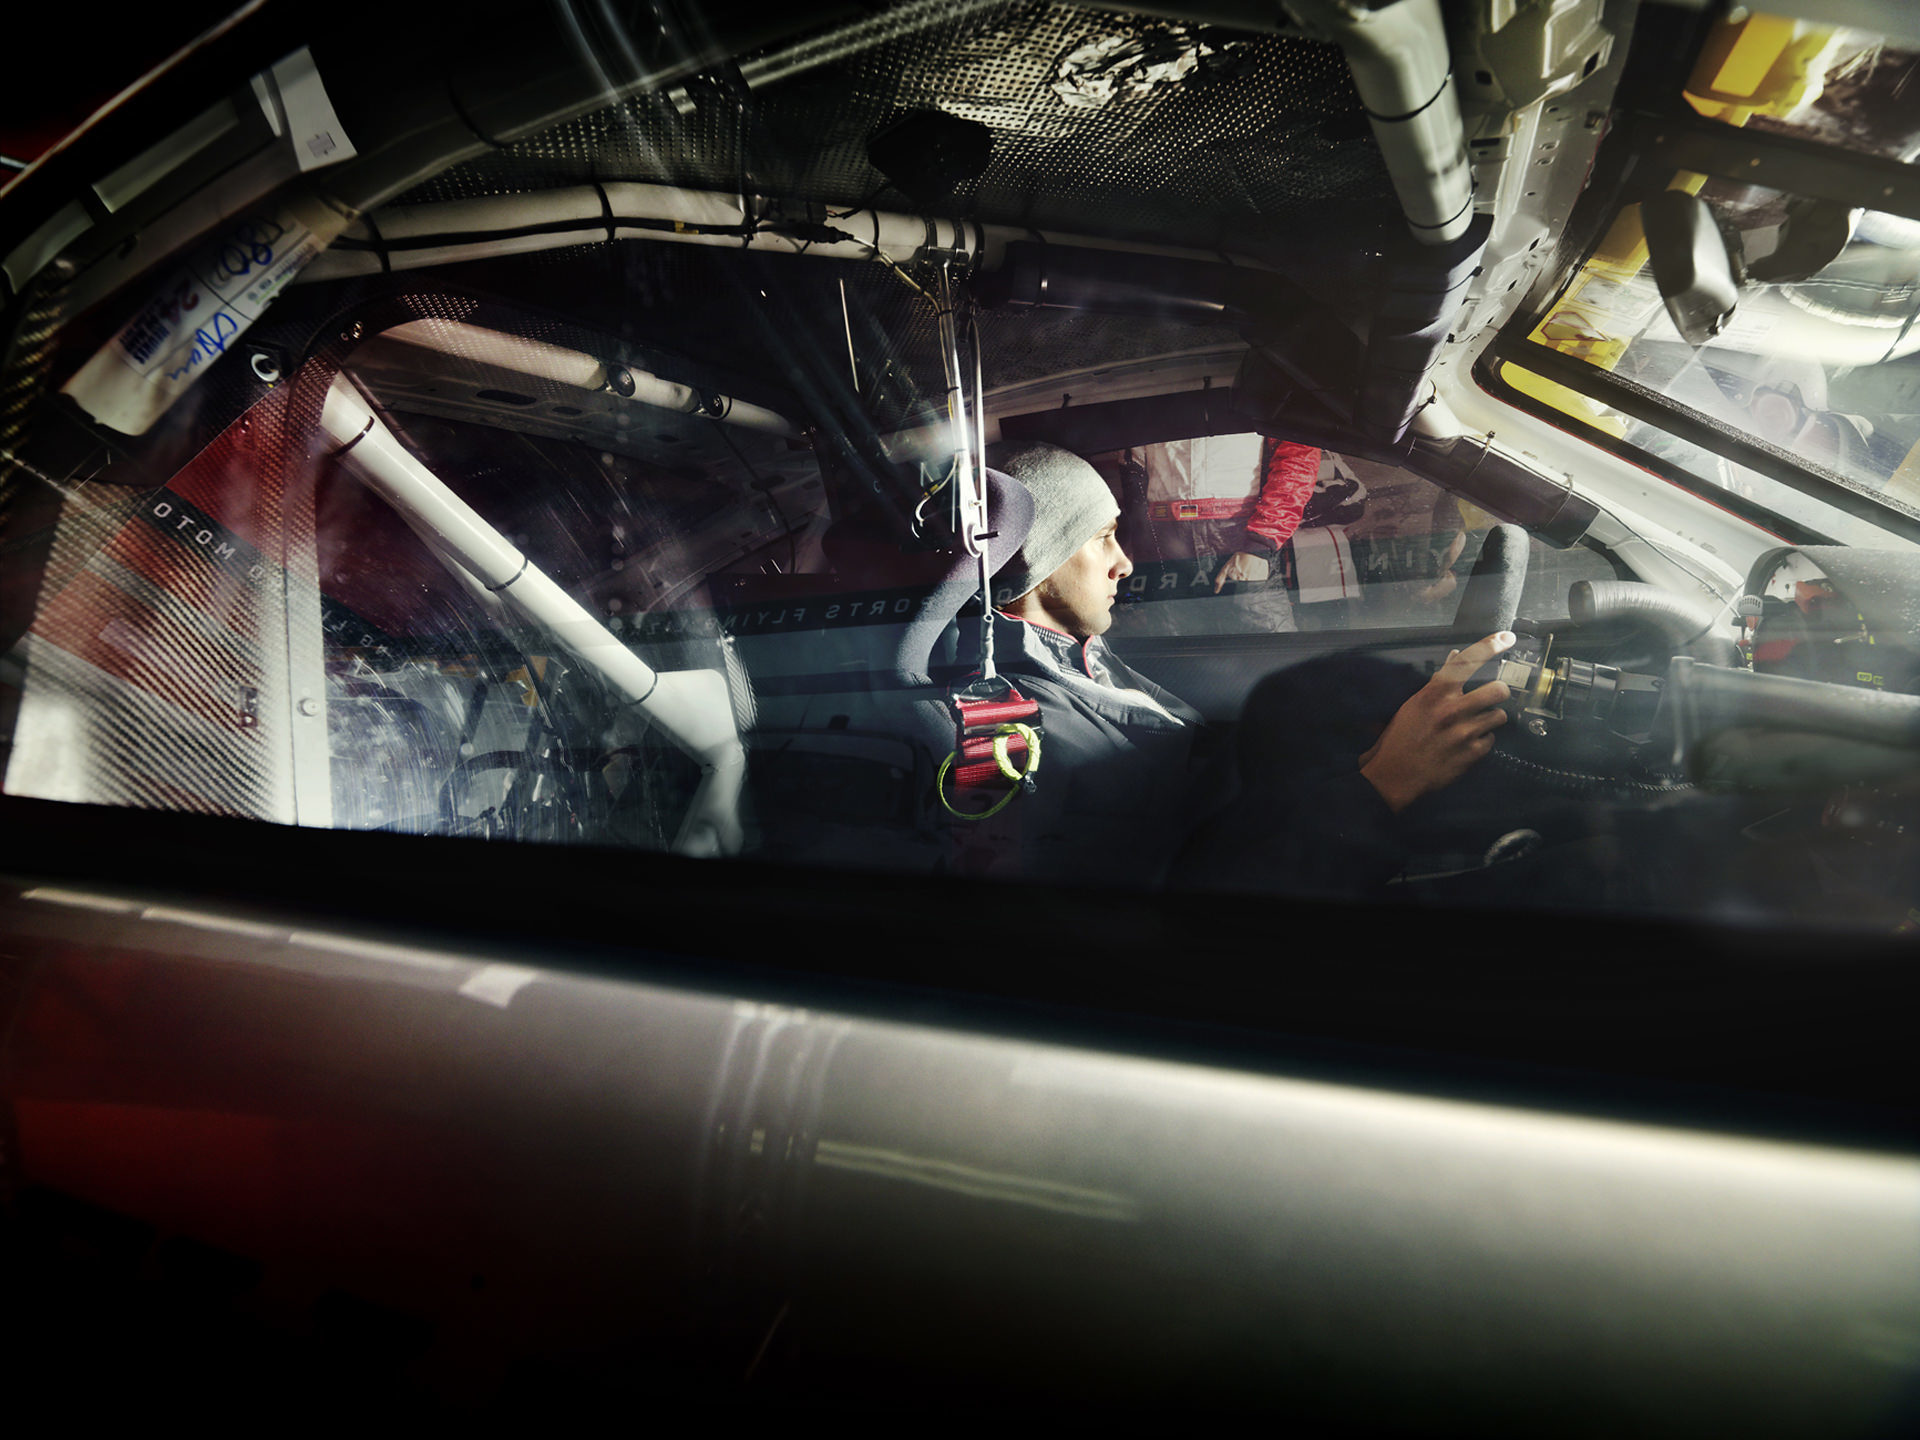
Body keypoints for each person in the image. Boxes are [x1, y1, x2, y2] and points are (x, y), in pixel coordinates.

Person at [982, 441, 1515, 890]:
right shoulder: (1020, 727)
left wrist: (1363, 769)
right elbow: (1194, 892)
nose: (1125, 563)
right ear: (1039, 559)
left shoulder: (1082, 655)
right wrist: (1379, 790)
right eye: (1103, 539)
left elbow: (1207, 800)